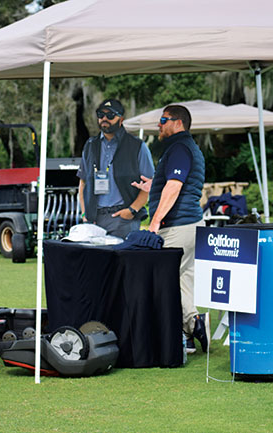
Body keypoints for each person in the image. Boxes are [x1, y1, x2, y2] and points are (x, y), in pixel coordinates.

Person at [132, 104, 209, 354]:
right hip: (192, 224)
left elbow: (174, 186)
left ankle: (193, 323)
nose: (159, 125)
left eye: (163, 120)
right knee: (183, 277)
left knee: (167, 280)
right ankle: (188, 334)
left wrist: (155, 222)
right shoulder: (190, 148)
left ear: (178, 123)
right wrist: (153, 186)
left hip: (177, 225)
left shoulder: (178, 147)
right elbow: (177, 183)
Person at [77, 98, 154, 239]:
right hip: (94, 220)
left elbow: (149, 184)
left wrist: (131, 210)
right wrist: (84, 214)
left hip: (124, 219)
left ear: (121, 119)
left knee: (122, 260)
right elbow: (83, 183)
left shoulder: (137, 146)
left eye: (110, 115)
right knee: (97, 261)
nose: (104, 118)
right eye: (101, 115)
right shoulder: (90, 145)